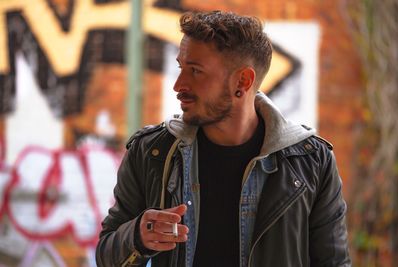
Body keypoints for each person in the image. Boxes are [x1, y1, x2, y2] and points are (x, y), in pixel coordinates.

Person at [96, 10, 351, 267]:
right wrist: (137, 237)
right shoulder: (152, 153)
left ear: (242, 81)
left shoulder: (312, 162)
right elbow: (106, 256)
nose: (179, 84)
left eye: (195, 71)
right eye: (181, 68)